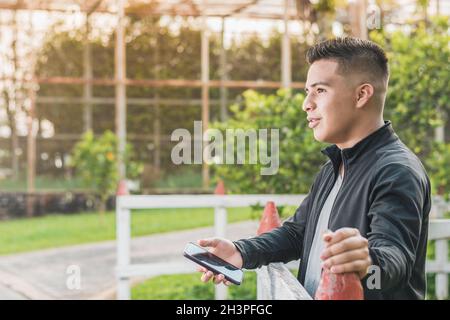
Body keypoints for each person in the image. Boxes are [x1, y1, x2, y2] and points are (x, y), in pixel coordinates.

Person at [196, 37, 431, 300]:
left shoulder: (397, 170)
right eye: (307, 91)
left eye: (319, 90)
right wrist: (240, 252)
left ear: (362, 94)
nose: (306, 103)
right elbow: (297, 234)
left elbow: (394, 259)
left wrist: (366, 261)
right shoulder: (333, 166)